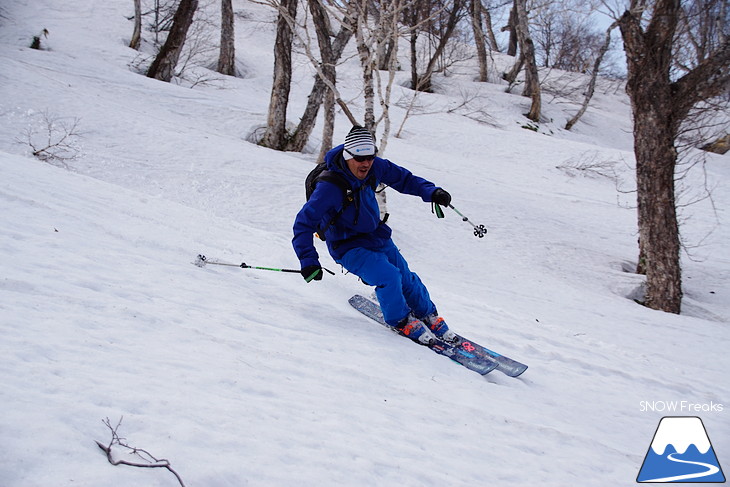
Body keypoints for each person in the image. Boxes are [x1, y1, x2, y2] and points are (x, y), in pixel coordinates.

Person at [292, 125, 455, 345]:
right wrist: (308, 261)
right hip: (347, 246)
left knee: (405, 276)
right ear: (348, 156)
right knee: (389, 276)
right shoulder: (329, 188)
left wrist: (431, 192)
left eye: (370, 157)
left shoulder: (375, 167)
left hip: (376, 235)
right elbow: (303, 223)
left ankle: (426, 313)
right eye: (360, 159)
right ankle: (400, 320)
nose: (366, 163)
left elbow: (404, 179)